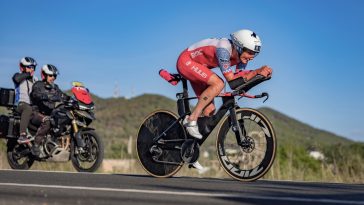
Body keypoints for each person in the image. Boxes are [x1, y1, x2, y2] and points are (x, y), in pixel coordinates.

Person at [176, 29, 272, 171]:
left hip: (200, 66)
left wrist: (260, 78)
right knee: (219, 83)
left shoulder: (241, 58)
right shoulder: (223, 49)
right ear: (239, 46)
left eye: (255, 54)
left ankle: (190, 151)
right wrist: (257, 71)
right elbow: (231, 81)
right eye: (250, 52)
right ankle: (191, 119)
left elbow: (238, 82)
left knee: (209, 111)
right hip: (186, 61)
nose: (252, 57)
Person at [30, 64, 69, 156]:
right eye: (50, 75)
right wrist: (46, 96)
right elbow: (35, 94)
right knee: (47, 121)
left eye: (54, 76)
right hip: (36, 113)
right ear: (44, 75)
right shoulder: (38, 85)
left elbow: (62, 95)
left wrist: (70, 99)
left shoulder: (55, 87)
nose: (53, 78)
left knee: (62, 118)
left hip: (49, 113)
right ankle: (35, 145)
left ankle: (54, 142)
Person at [12, 57, 38, 144]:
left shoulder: (36, 79)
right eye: (29, 67)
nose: (32, 69)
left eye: (33, 67)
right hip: (20, 104)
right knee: (28, 108)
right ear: (22, 67)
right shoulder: (18, 76)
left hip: (32, 106)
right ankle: (22, 135)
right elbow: (16, 79)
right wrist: (27, 74)